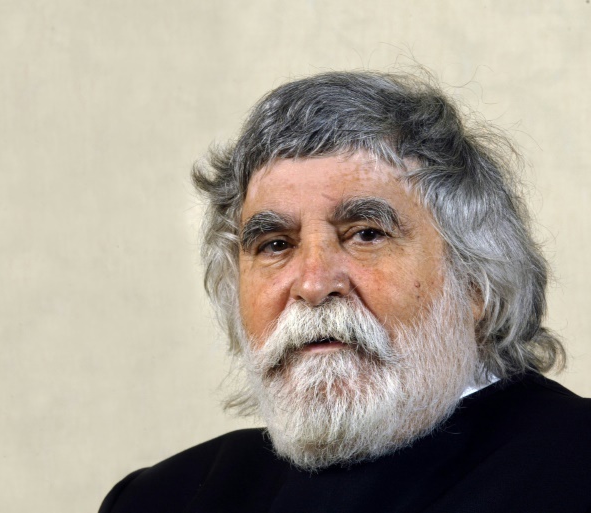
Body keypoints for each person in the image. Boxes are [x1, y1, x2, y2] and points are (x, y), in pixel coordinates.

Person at [99, 71, 591, 513]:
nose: (314, 284)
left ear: (476, 281)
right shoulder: (161, 499)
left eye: (366, 234)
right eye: (275, 245)